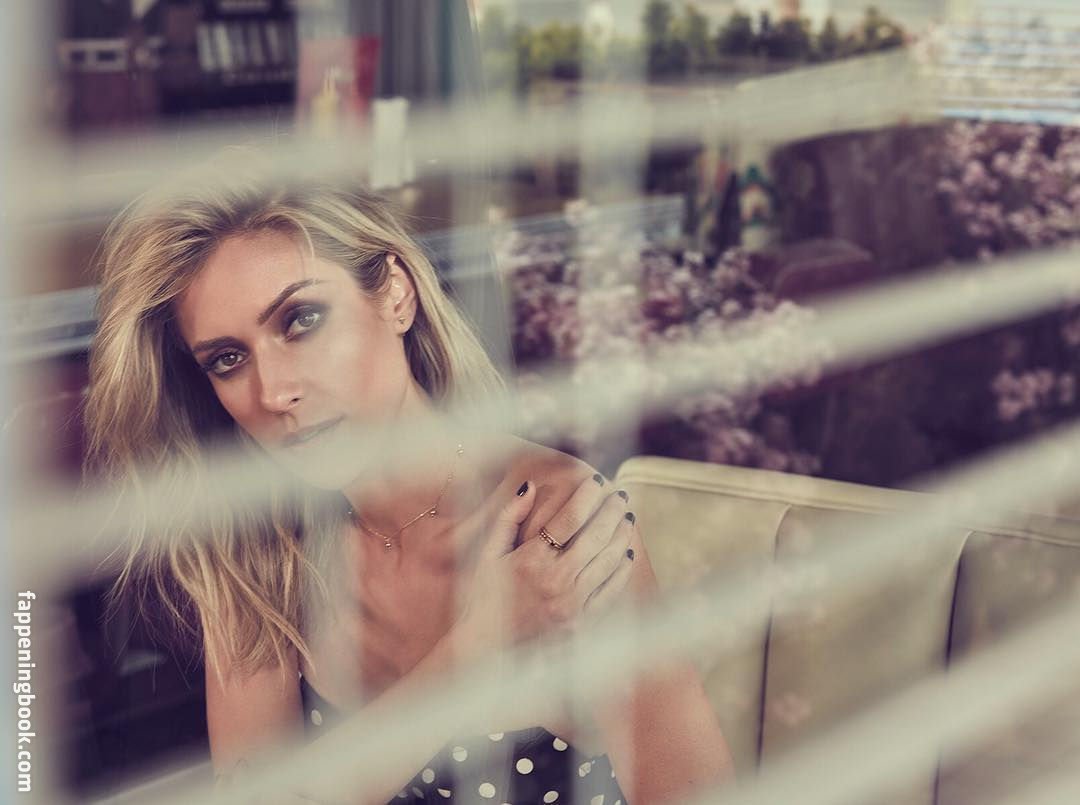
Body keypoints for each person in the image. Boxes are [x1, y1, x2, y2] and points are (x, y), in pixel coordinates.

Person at [82, 157, 733, 804]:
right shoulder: (260, 546)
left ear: (395, 294)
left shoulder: (555, 521)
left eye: (302, 320)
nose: (274, 392)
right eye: (228, 359)